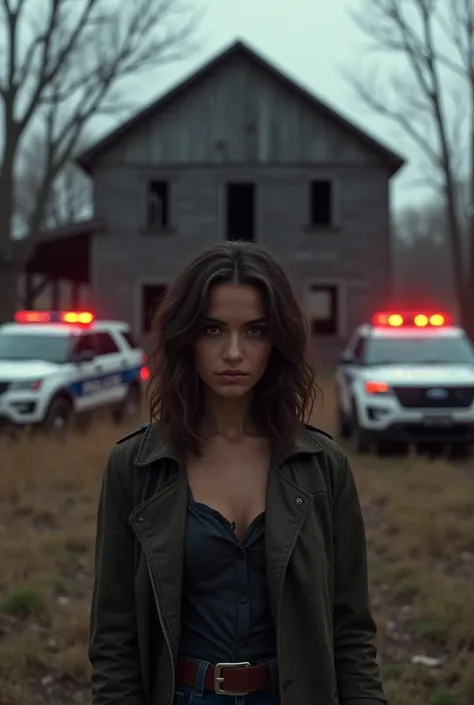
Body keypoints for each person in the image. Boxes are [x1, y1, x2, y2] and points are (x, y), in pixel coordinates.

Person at [89, 241, 386, 705]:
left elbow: (351, 633)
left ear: (277, 340)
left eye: (254, 331)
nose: (233, 352)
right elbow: (113, 641)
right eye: (212, 329)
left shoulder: (322, 466)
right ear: (186, 336)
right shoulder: (136, 467)